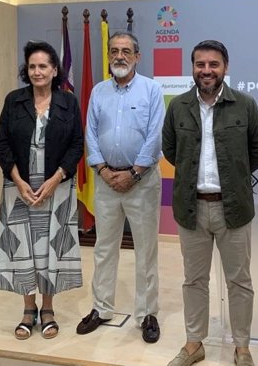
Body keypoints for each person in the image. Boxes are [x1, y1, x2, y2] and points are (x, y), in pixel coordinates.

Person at [162, 40, 258, 366]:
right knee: (194, 280)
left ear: (225, 67)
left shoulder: (245, 105)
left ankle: (242, 347)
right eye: (200, 64)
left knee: (239, 281)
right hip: (190, 208)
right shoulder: (178, 107)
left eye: (213, 64)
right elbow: (170, 151)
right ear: (192, 68)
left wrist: (234, 177)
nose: (206, 70)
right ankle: (194, 344)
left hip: (233, 207)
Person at [76, 31, 165, 344]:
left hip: (141, 182)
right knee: (103, 248)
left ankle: (146, 314)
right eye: (114, 51)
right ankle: (101, 308)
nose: (119, 56)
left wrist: (134, 173)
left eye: (126, 51)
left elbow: (155, 136)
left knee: (146, 250)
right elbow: (90, 134)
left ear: (137, 56)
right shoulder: (99, 91)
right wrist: (102, 169)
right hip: (105, 182)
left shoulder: (151, 90)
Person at [0, 40, 84, 340]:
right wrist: (18, 180)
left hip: (55, 189)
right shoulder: (14, 100)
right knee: (23, 250)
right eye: (32, 66)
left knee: (49, 250)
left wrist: (56, 178)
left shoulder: (68, 102)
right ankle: (27, 310)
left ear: (55, 69)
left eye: (43, 66)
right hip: (18, 190)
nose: (37, 71)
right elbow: (2, 144)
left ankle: (47, 309)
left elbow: (76, 145)